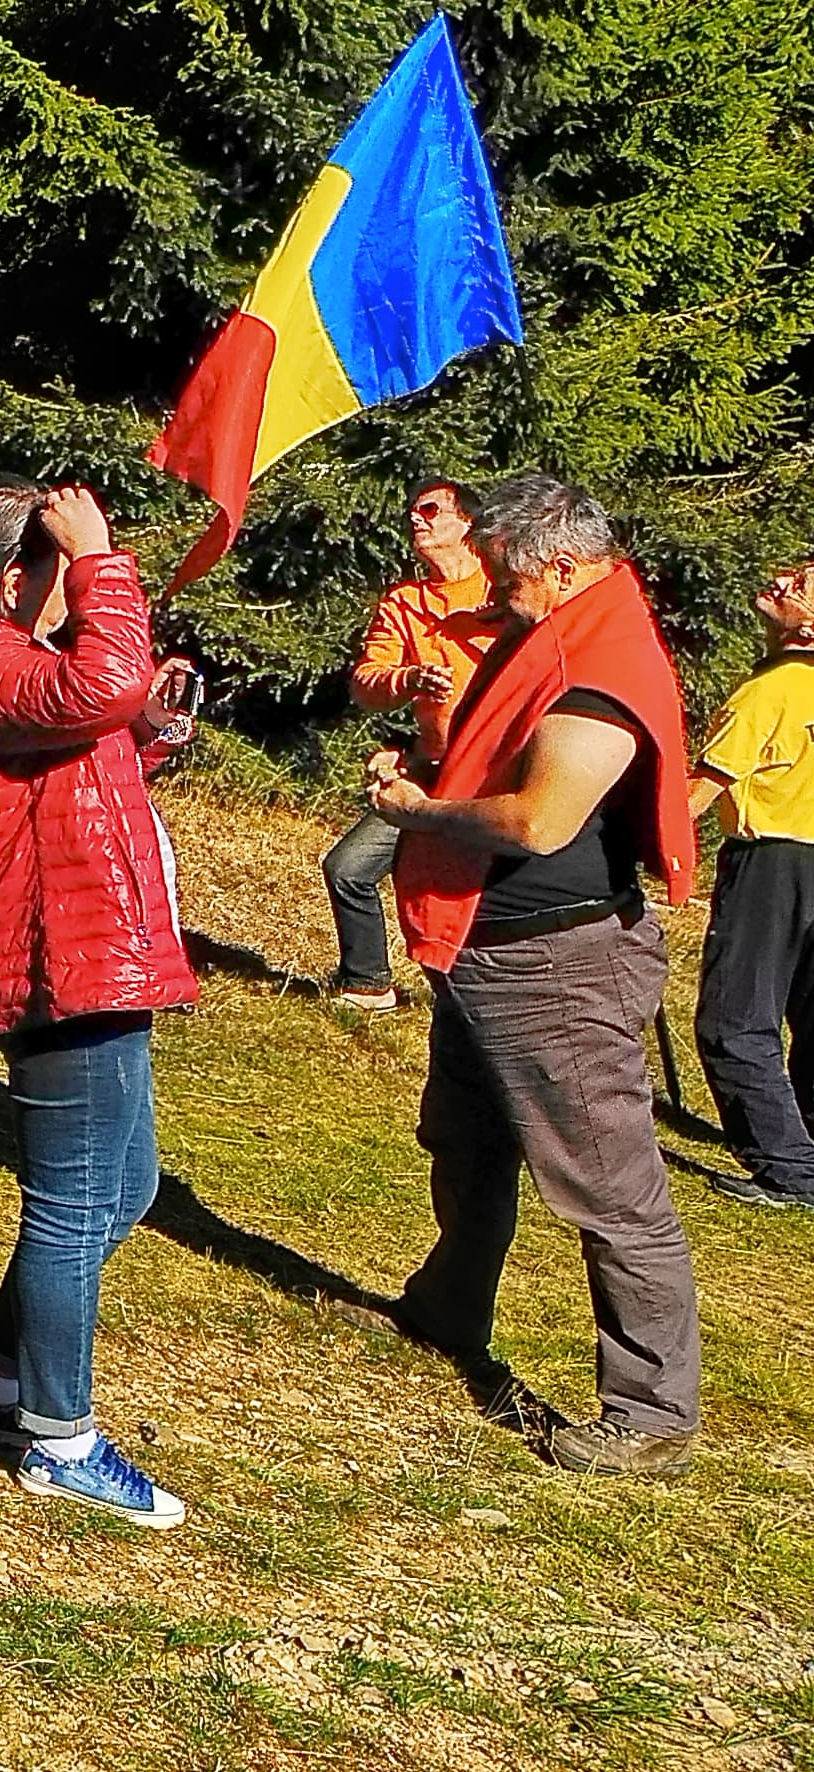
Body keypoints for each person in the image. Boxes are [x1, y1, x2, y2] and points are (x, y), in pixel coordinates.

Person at [0, 481, 192, 1528]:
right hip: (59, 956)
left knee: (123, 1187)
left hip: (88, 943)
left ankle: (0, 1383)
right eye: (63, 575)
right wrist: (103, 564)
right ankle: (60, 1438)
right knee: (74, 1201)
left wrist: (148, 726)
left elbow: (81, 742)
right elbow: (93, 690)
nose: (76, 594)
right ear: (15, 578)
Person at [371, 477, 703, 1476]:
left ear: (558, 567)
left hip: (555, 964)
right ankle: (447, 1306)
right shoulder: (562, 625)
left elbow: (541, 820)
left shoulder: (597, 666)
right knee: (466, 1139)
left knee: (610, 1189)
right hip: (491, 947)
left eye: (505, 573)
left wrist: (418, 812)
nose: (494, 589)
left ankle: (651, 1413)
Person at [323, 481, 499, 1010]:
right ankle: (368, 984)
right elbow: (366, 682)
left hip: (495, 774)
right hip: (430, 770)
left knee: (479, 892)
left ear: (467, 523)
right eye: (413, 512)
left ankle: (482, 997)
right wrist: (409, 680)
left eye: (431, 510)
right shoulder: (405, 603)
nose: (417, 519)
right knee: (348, 868)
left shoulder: (503, 592)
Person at [690, 558, 814, 1212]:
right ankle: (805, 1141)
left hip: (772, 860)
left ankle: (788, 1170)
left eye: (802, 585)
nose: (782, 581)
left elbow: (696, 795)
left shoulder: (770, 690)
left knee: (735, 1019)